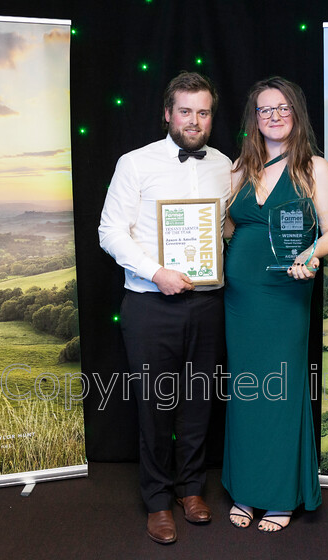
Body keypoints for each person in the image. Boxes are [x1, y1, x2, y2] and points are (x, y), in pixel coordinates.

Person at [98, 71, 232, 545]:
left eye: (203, 112)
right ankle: (157, 499)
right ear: (167, 114)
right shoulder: (135, 163)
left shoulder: (225, 165)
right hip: (150, 304)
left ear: (211, 116)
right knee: (154, 406)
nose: (194, 120)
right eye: (185, 111)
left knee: (198, 403)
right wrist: (157, 272)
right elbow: (110, 231)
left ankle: (190, 489)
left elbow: (228, 227)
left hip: (208, 303)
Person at [222, 77, 328, 533]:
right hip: (239, 297)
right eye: (264, 109)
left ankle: (279, 495)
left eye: (283, 108)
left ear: (297, 115)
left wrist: (310, 256)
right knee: (246, 388)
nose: (273, 116)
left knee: (281, 386)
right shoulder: (241, 166)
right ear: (255, 119)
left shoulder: (315, 167)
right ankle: (245, 489)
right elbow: (230, 226)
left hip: (286, 293)